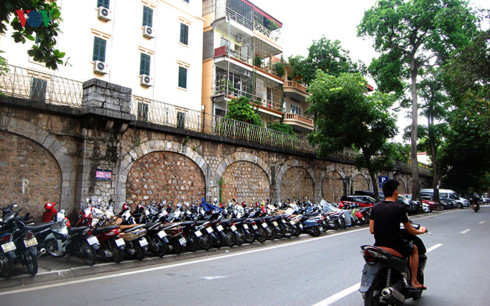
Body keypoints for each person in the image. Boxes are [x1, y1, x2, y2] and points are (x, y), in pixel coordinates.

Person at [369, 179, 428, 289]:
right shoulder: (399, 208)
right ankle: (414, 281)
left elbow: (372, 230)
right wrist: (421, 230)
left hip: (379, 244)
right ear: (395, 192)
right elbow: (410, 231)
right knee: (414, 249)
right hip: (396, 246)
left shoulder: (375, 207)